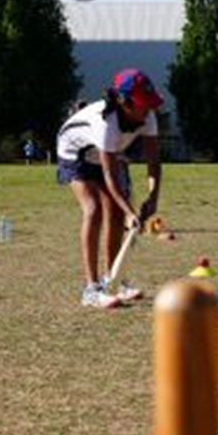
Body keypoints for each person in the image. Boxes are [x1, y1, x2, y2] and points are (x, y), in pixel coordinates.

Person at [56, 69, 164, 309]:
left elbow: (154, 163)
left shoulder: (148, 117)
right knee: (93, 209)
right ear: (124, 102)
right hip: (76, 154)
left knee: (115, 213)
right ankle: (91, 289)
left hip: (106, 156)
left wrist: (152, 198)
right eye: (143, 104)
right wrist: (129, 211)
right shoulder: (106, 123)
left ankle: (113, 281)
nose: (148, 109)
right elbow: (109, 176)